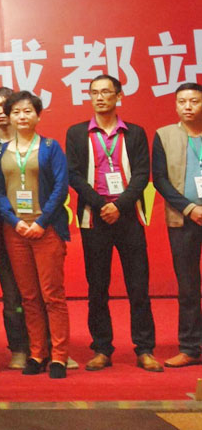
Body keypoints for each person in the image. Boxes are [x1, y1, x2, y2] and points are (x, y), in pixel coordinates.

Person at [65, 75, 160, 373]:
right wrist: (100, 204)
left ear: (119, 96)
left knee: (138, 286)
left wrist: (119, 206)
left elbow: (142, 173)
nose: (99, 97)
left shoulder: (135, 132)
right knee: (97, 287)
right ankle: (102, 349)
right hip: (94, 217)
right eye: (94, 92)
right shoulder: (77, 133)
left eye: (106, 92)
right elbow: (74, 174)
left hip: (128, 216)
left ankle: (144, 349)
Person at [0, 91, 70, 379]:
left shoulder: (50, 147)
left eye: (27, 111)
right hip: (16, 231)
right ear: (9, 117)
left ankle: (59, 356)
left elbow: (61, 187)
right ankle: (37, 353)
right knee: (28, 296)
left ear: (38, 115)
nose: (22, 116)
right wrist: (14, 221)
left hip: (46, 229)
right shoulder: (1, 151)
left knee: (53, 295)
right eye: (16, 112)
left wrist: (42, 221)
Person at [153, 82, 202, 368]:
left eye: (194, 101)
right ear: (175, 105)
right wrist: (190, 208)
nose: (188, 106)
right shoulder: (164, 135)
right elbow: (160, 179)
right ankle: (190, 346)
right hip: (183, 219)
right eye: (182, 101)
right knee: (188, 286)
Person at [0, 87, 30, 369]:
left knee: (37, 289)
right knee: (11, 291)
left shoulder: (31, 141)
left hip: (31, 222)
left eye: (4, 106)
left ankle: (48, 344)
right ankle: (19, 347)